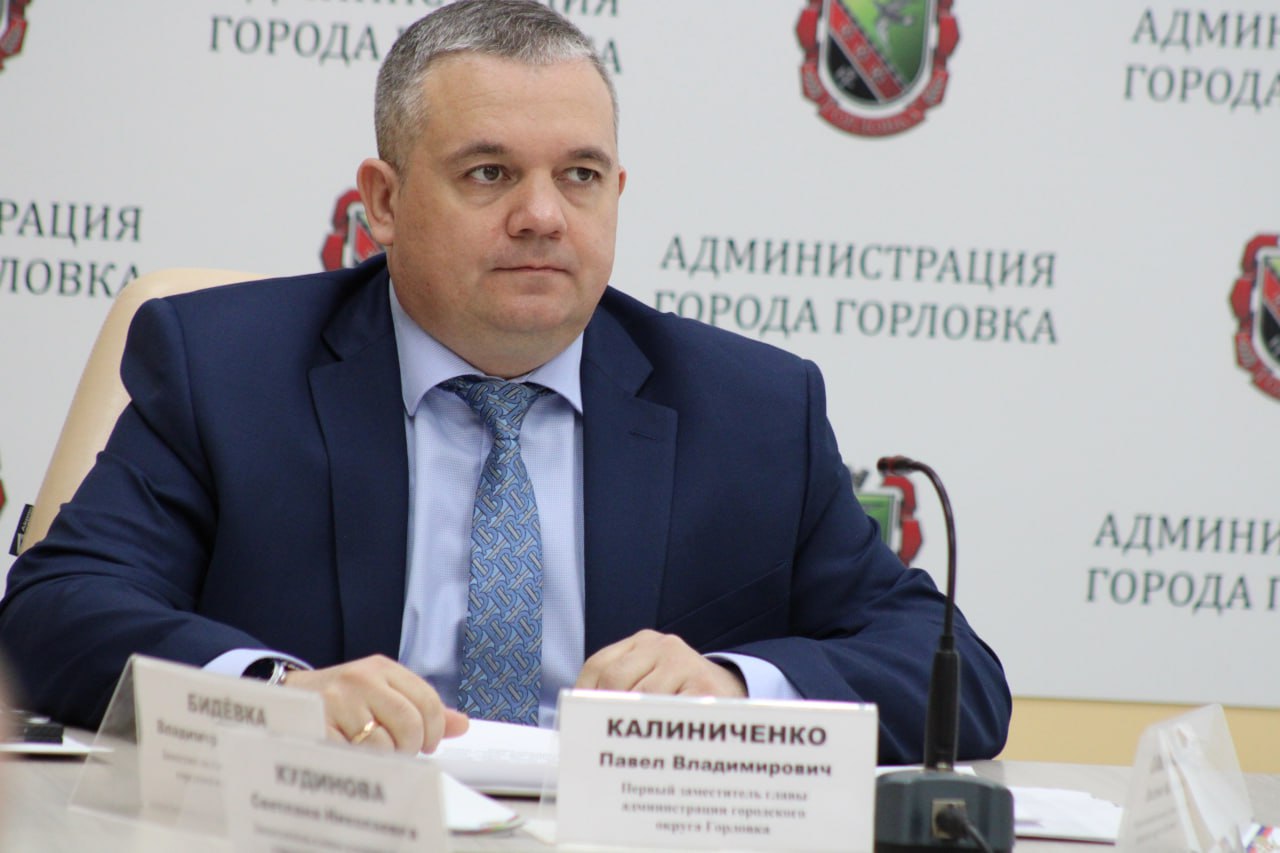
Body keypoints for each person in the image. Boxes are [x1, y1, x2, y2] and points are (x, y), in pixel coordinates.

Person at [0, 0, 1010, 764]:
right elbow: (54, 611)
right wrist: (270, 698)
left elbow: (953, 678)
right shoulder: (224, 368)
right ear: (383, 201)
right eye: (488, 173)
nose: (542, 215)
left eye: (579, 175)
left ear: (616, 194)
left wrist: (734, 689)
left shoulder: (751, 410)